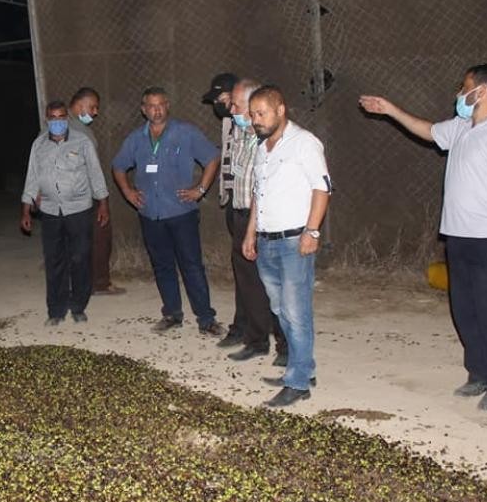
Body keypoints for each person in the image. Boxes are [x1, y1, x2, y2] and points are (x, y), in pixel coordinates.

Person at [359, 63, 487, 412]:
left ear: (481, 91)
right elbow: (427, 130)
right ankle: (479, 373)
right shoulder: (463, 127)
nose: (459, 94)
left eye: (464, 87)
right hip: (459, 234)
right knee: (465, 309)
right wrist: (390, 110)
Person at [242, 85, 331, 407]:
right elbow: (259, 194)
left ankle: (297, 383)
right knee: (280, 310)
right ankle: (304, 368)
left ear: (281, 110)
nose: (256, 120)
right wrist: (250, 233)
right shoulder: (261, 147)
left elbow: (322, 188)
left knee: (296, 311)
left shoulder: (304, 143)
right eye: (253, 114)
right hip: (266, 240)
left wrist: (312, 232)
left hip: (294, 241)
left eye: (261, 113)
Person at [111, 86, 225, 336]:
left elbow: (212, 158)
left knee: (192, 265)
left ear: (168, 105)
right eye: (151, 106)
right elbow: (118, 166)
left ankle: (206, 318)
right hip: (150, 214)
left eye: (161, 104)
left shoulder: (185, 132)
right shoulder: (136, 138)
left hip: (181, 212)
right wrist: (128, 192)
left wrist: (200, 189)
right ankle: (172, 314)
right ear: (144, 110)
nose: (157, 110)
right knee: (162, 265)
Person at [206, 77, 289, 364]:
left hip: (266, 220)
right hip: (241, 214)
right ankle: (256, 340)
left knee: (274, 285)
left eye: (237, 106)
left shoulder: (271, 138)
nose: (232, 111)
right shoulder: (239, 132)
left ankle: (285, 345)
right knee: (249, 284)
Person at [21, 100, 110, 326]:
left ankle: (78, 306)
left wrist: (103, 203)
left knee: (80, 258)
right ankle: (56, 310)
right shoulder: (38, 145)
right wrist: (26, 210)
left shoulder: (82, 142)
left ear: (66, 119)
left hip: (79, 208)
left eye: (61, 117)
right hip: (50, 210)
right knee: (54, 260)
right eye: (53, 118)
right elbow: (32, 177)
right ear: (47, 120)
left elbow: (95, 173)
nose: (57, 122)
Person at [68, 87, 126, 296]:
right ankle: (99, 283)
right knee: (100, 236)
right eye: (92, 107)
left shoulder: (53, 126)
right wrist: (102, 200)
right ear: (80, 104)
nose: (95, 112)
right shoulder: (80, 132)